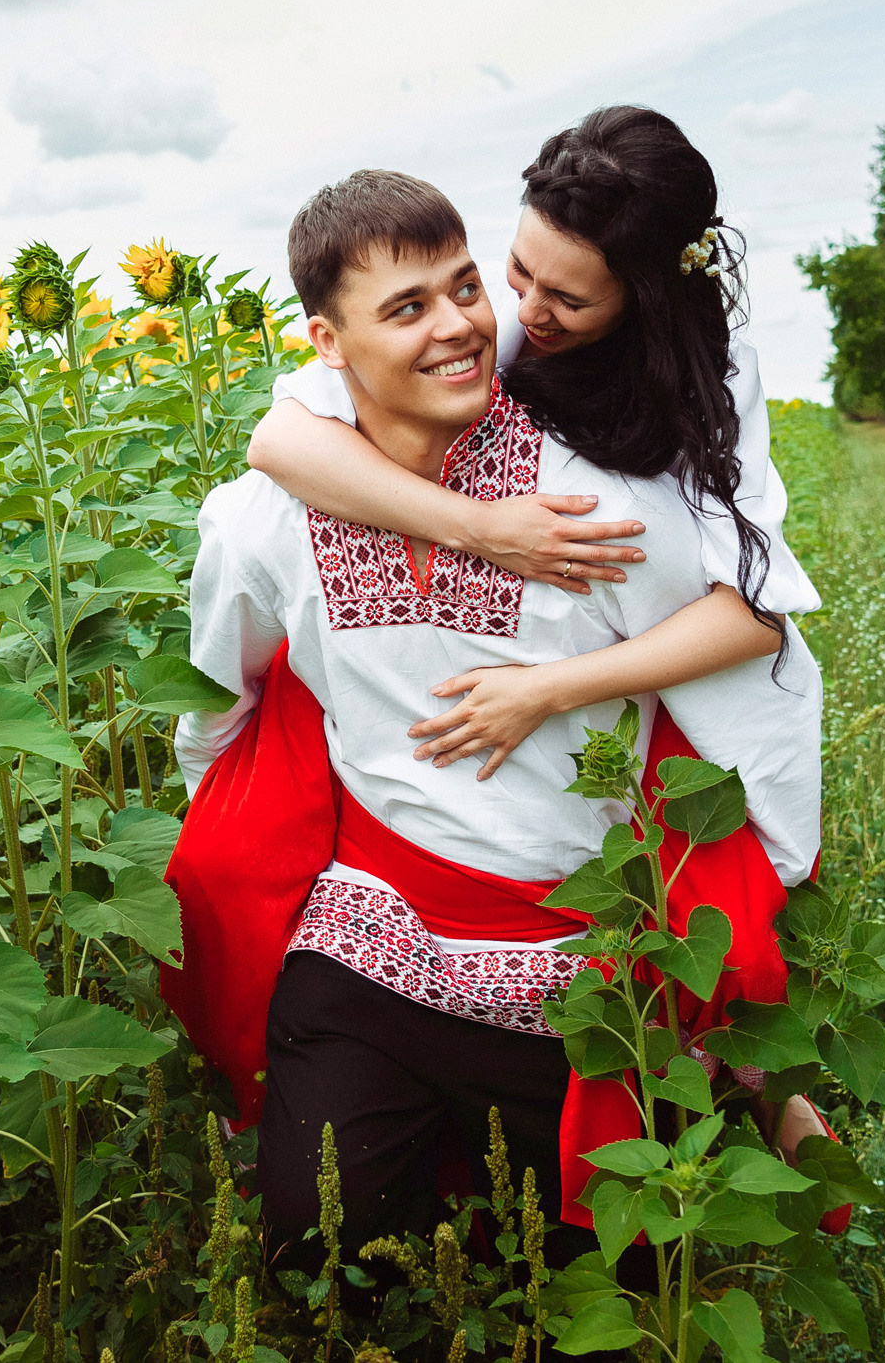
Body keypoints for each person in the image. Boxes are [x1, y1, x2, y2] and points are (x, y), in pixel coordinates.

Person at [159, 167, 822, 1264]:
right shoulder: (262, 518)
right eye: (406, 308)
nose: (461, 324)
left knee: (617, 1269)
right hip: (370, 931)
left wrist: (758, 891)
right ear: (326, 342)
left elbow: (744, 650)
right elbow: (218, 706)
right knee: (315, 1240)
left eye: (467, 287)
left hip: (575, 949)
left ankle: (749, 1079)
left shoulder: (591, 505)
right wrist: (239, 858)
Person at [244, 106, 819, 785]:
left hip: (667, 677)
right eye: (517, 270)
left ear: (645, 300)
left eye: (570, 300)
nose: (528, 311)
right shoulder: (487, 321)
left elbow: (755, 616)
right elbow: (279, 440)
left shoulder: (715, 384)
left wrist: (545, 689)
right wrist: (482, 528)